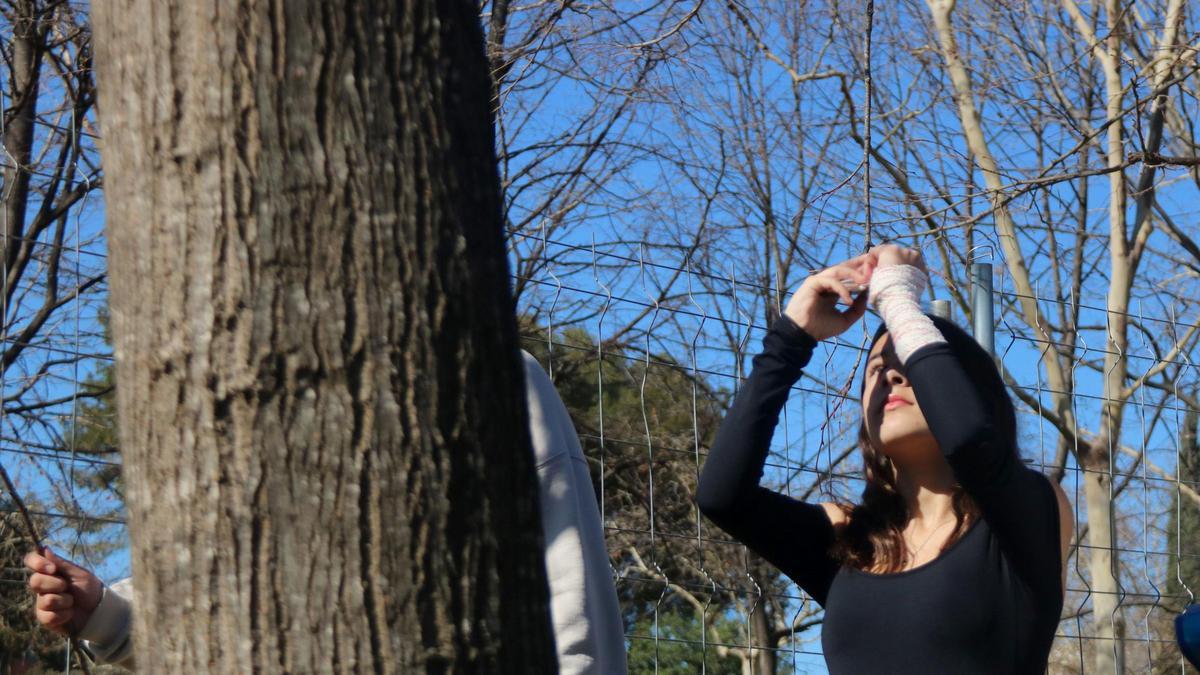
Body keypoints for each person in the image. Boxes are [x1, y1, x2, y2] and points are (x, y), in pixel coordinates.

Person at [25, 351, 627, 674]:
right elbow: (231, 607)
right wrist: (108, 614)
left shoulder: (492, 378)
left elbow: (573, 610)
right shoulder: (237, 398)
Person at [695, 244, 1074, 674]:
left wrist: (897, 298)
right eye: (876, 369)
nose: (890, 375)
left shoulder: (1025, 515)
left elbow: (971, 441)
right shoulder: (851, 539)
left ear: (967, 392)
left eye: (909, 364)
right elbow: (722, 497)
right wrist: (791, 338)